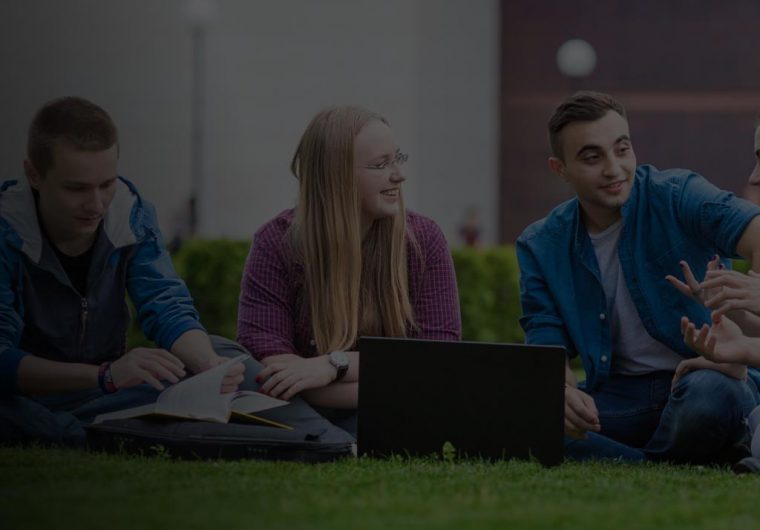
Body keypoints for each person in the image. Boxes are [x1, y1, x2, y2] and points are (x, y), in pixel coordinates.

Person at [516, 91, 760, 463]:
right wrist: (563, 395)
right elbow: (548, 347)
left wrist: (749, 309)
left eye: (622, 149)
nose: (614, 168)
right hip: (618, 397)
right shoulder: (540, 245)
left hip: (702, 377)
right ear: (560, 168)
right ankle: (661, 461)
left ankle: (627, 457)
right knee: (531, 417)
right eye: (592, 157)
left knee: (711, 398)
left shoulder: (678, 194)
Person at [0, 97, 244, 445]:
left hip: (102, 390)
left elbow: (166, 305)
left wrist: (208, 365)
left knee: (217, 360)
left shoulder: (133, 215)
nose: (97, 204)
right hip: (27, 392)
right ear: (33, 175)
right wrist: (105, 375)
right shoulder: (6, 230)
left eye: (107, 184)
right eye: (76, 188)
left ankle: (91, 427)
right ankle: (93, 430)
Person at [236, 106, 461, 434]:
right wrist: (388, 383)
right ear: (335, 174)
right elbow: (269, 361)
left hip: (385, 408)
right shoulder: (275, 241)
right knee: (227, 357)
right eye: (381, 164)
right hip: (304, 407)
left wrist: (331, 366)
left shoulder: (423, 239)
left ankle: (332, 436)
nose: (399, 174)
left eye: (398, 158)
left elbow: (435, 360)